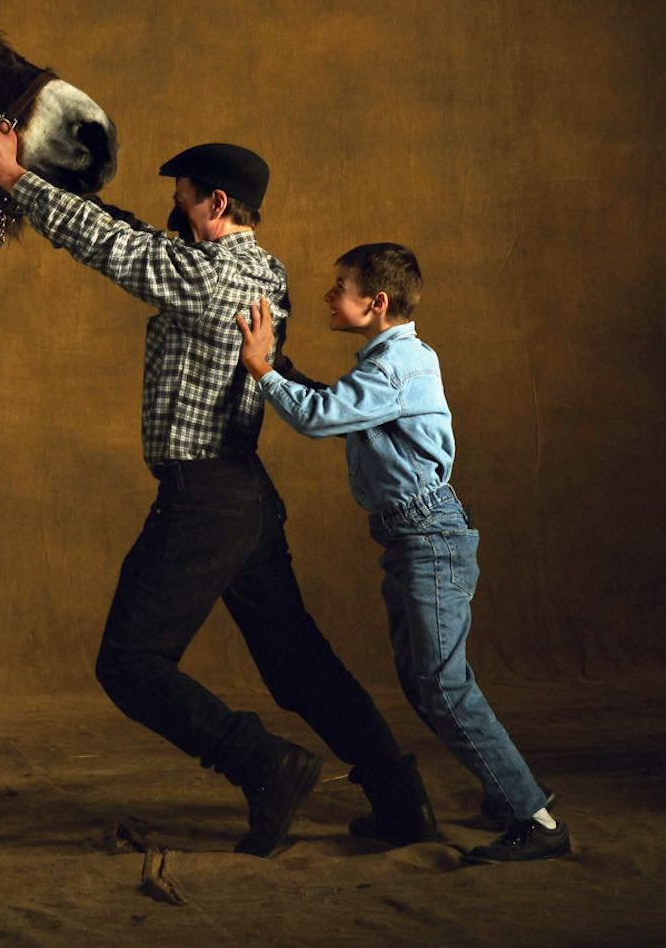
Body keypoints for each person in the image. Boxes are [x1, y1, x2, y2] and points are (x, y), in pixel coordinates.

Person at [0, 128, 431, 857]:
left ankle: (264, 763)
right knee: (299, 664)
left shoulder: (208, 275)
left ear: (217, 201)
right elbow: (139, 235)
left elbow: (110, 244)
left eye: (182, 200)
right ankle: (403, 800)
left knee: (129, 660)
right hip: (244, 494)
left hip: (207, 496)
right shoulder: (262, 270)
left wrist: (13, 178)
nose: (173, 210)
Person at [235, 244, 570, 863]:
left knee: (442, 687)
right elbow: (341, 412)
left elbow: (317, 418)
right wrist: (280, 366)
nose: (330, 297)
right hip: (411, 537)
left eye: (341, 287)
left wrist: (263, 370)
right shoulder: (389, 362)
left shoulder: (394, 366)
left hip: (429, 539)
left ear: (377, 302)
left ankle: (536, 819)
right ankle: (509, 793)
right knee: (426, 684)